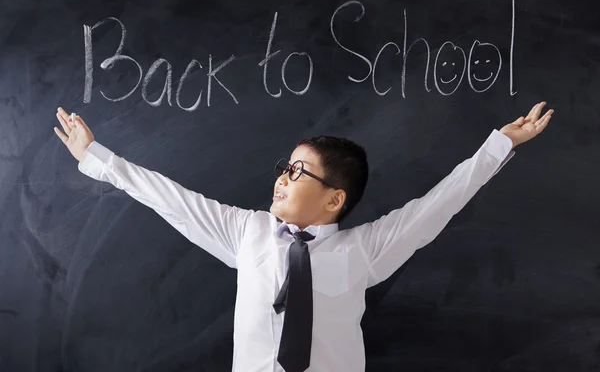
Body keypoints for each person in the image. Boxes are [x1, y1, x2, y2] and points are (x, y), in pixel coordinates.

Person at [53, 102, 553, 372]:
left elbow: (437, 205)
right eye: (284, 168)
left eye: (298, 172)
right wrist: (97, 160)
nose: (282, 178)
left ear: (334, 199)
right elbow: (172, 199)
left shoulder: (364, 250)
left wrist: (499, 145)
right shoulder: (246, 232)